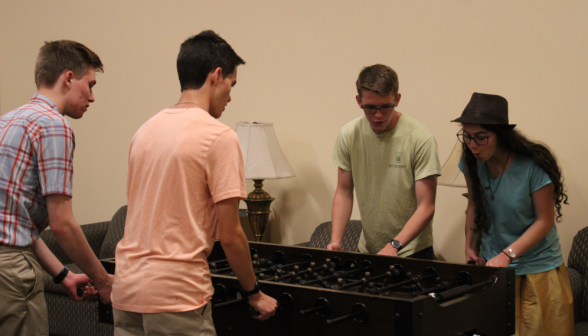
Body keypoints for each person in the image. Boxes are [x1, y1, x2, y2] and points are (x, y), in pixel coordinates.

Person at [111, 30, 277, 336]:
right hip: (177, 297)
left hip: (126, 292)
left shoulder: (144, 132)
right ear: (216, 76)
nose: (231, 95)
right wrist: (254, 292)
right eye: (232, 83)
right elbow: (230, 235)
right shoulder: (219, 137)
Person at [0, 40, 114, 335]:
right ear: (68, 78)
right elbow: (62, 224)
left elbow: (17, 224)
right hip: (10, 272)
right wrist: (103, 281)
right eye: (90, 84)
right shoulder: (53, 126)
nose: (92, 97)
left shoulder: (7, 121)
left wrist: (63, 274)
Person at [454, 92, 573, 335]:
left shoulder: (533, 165)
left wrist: (508, 254)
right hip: (494, 268)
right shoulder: (471, 161)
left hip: (536, 269)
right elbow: (475, 206)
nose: (473, 145)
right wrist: (470, 248)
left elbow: (544, 221)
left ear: (501, 135)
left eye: (481, 137)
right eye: (466, 137)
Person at [328, 64, 441, 258]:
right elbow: (344, 192)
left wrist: (394, 245)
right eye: (370, 107)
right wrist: (336, 240)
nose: (378, 115)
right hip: (369, 250)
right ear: (359, 101)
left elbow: (427, 206)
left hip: (413, 251)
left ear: (397, 99)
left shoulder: (420, 138)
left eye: (385, 107)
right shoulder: (349, 134)